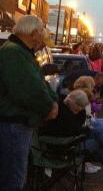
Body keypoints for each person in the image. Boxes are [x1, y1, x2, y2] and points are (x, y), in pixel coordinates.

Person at [0, 16, 59, 190]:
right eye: (42, 38)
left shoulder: (21, 52)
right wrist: (50, 107)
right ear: (34, 34)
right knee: (13, 178)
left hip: (17, 125)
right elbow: (30, 90)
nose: (42, 44)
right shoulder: (14, 53)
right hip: (13, 125)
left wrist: (53, 102)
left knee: (15, 175)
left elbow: (41, 83)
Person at [41, 89, 103, 185]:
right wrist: (84, 116)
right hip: (64, 147)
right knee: (98, 139)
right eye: (80, 106)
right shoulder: (64, 113)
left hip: (70, 140)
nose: (81, 108)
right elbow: (79, 127)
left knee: (100, 133)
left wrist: (83, 111)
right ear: (73, 102)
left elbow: (84, 122)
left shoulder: (69, 105)